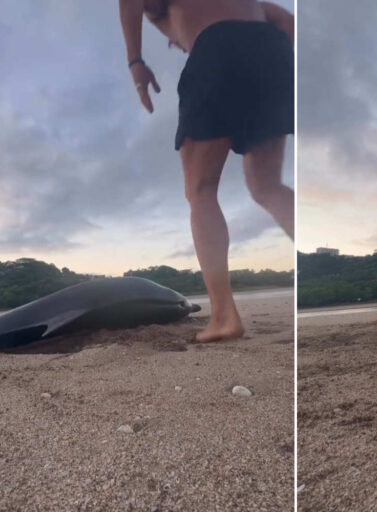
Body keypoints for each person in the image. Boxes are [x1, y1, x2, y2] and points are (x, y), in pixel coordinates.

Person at [118, 0, 294, 341]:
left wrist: (135, 62)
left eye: (173, 42)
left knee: (200, 191)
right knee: (267, 186)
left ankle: (225, 317)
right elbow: (286, 20)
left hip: (217, 48)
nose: (175, 44)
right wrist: (273, 68)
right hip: (273, 53)